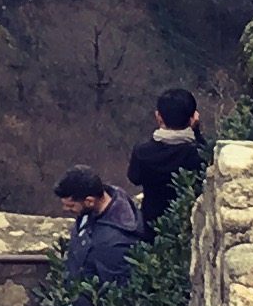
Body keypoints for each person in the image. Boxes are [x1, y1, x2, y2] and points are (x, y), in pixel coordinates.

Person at [127, 86, 207, 234]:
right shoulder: (197, 154)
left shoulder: (142, 152)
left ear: (158, 117)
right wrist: (196, 131)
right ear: (193, 118)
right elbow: (207, 158)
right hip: (188, 226)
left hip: (153, 226)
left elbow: (134, 178)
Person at [54, 164, 148, 289]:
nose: (65, 209)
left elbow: (117, 291)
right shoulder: (97, 206)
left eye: (71, 206)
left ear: (89, 201)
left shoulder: (114, 242)